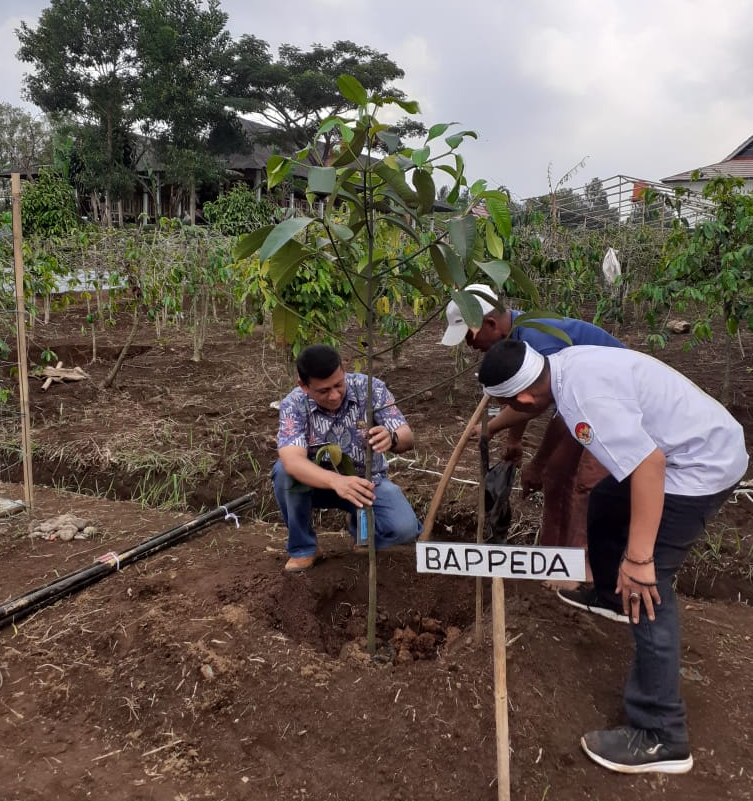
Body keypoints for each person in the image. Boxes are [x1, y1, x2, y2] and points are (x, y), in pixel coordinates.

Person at [478, 338, 748, 774]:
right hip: (690, 442)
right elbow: (529, 406)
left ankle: (661, 734)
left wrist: (639, 559)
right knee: (605, 500)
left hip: (696, 466)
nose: (512, 413)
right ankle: (607, 595)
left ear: (527, 396)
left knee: (649, 585)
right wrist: (486, 429)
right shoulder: (561, 366)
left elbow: (648, 466)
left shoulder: (585, 402)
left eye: (510, 406)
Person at [442, 284, 625, 561]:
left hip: (614, 401)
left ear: (490, 323)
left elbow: (547, 407)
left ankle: (583, 570)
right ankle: (553, 560)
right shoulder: (518, 334)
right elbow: (525, 398)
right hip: (586, 403)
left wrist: (533, 461)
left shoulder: (541, 341)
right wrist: (513, 440)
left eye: (469, 335)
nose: (470, 345)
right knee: (558, 475)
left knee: (584, 482)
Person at [272, 344, 421, 572]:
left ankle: (361, 529)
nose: (334, 396)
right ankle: (304, 549)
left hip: (366, 483)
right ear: (303, 386)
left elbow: (407, 436)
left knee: (404, 529)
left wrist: (392, 438)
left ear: (343, 369)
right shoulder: (293, 404)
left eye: (338, 385)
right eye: (323, 391)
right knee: (284, 472)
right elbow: (292, 461)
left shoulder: (371, 388)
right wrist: (336, 481)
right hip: (316, 485)